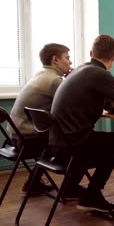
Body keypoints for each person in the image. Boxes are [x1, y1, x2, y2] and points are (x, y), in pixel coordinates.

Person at [49, 34, 114, 214]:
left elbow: (105, 100)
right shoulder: (101, 74)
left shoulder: (79, 70)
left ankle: (71, 187)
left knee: (111, 143)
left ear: (91, 53)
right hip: (74, 146)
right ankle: (95, 195)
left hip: (57, 144)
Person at [9, 43, 72, 194]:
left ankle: (33, 183)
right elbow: (72, 106)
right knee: (73, 143)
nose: (70, 62)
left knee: (56, 137)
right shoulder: (54, 80)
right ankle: (70, 188)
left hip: (15, 136)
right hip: (28, 140)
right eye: (67, 58)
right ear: (55, 60)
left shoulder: (41, 74)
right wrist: (73, 79)